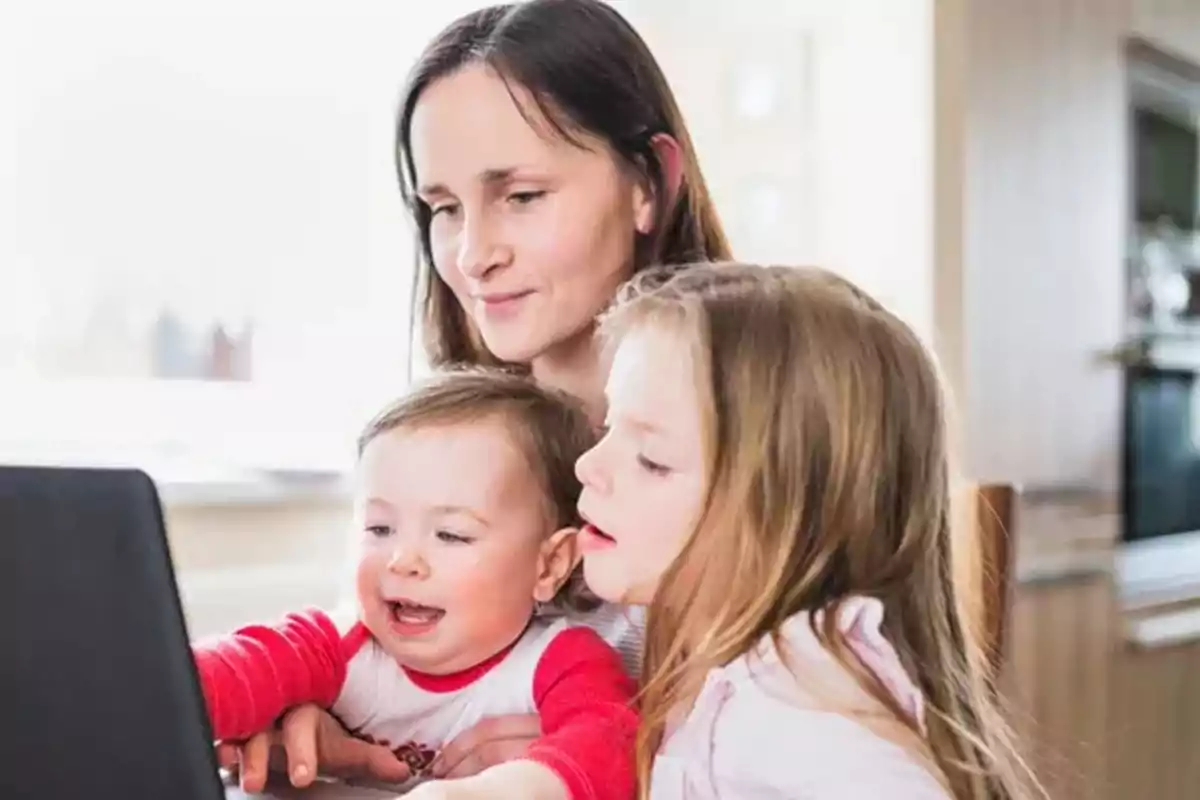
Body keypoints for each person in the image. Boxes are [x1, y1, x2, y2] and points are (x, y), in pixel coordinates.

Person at [218, 0, 733, 791]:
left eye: (522, 196)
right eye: (444, 209)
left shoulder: (754, 468)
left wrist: (579, 770)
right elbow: (357, 665)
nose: (472, 253)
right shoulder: (443, 458)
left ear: (649, 185)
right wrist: (339, 735)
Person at [573, 262, 1041, 799]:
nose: (589, 466)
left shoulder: (794, 697)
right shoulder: (718, 667)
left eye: (652, 459)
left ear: (790, 514)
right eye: (608, 429)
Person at [198, 370, 638, 799]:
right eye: (380, 528)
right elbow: (210, 679)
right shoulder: (339, 645)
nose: (402, 560)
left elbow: (613, 746)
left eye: (451, 535)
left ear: (549, 565)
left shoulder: (563, 661)